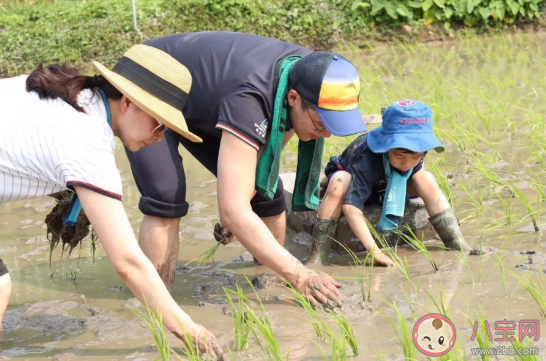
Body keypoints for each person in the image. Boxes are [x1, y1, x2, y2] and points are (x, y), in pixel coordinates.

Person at [0, 44, 223, 358]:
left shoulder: (74, 98)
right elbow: (128, 263)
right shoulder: (88, 141)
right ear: (129, 103)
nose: (160, 137)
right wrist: (188, 329)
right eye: (160, 125)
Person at [124, 31, 368, 308]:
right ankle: (155, 305)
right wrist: (299, 272)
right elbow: (234, 208)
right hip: (151, 80)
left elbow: (266, 159)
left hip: (208, 98)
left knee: (267, 192)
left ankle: (270, 287)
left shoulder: (309, 71)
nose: (324, 135)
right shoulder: (250, 100)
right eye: (321, 124)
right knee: (166, 195)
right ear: (293, 98)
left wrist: (239, 207)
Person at [310, 99, 471, 266]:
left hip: (387, 184)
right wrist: (375, 252)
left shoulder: (418, 152)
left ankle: (457, 243)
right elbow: (351, 208)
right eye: (400, 156)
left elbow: (415, 170)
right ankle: (317, 257)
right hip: (357, 180)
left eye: (415, 157)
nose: (407, 164)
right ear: (385, 146)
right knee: (339, 182)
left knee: (426, 178)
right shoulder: (367, 158)